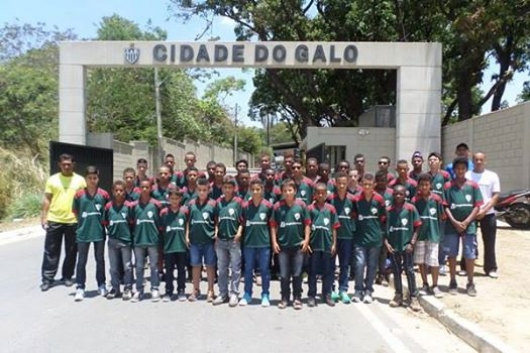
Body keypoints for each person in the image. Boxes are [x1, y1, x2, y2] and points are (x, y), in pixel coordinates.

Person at [40, 154, 86, 292]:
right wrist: (44, 216)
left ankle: (67, 276)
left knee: (71, 251)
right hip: (55, 219)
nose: (66, 166)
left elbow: (83, 200)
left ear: (73, 164)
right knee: (51, 251)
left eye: (69, 164)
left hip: (73, 221)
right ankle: (47, 279)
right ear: (59, 164)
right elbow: (47, 199)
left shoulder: (80, 181)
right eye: (64, 164)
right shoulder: (52, 180)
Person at [442, 157, 483, 296]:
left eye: (463, 168)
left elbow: (477, 206)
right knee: (452, 254)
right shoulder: (448, 186)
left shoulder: (473, 186)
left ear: (466, 170)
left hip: (469, 226)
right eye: (457, 168)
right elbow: (445, 206)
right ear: (454, 170)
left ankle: (470, 282)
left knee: (469, 255)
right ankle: (453, 281)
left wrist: (466, 222)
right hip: (451, 225)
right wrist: (454, 221)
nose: (460, 171)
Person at [270, 179, 311, 310]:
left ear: (295, 191)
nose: (288, 193)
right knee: (284, 274)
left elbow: (307, 224)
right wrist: (274, 242)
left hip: (298, 246)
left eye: (290, 190)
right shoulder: (277, 207)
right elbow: (273, 225)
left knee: (297, 273)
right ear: (281, 192)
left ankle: (297, 297)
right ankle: (284, 298)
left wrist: (306, 240)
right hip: (283, 246)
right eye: (285, 191)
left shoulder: (302, 206)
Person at [72, 166, 110, 301]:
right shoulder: (79, 195)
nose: (92, 181)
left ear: (98, 178)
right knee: (81, 261)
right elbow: (76, 212)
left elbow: (108, 212)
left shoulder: (104, 195)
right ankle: (80, 287)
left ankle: (101, 285)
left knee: (100, 260)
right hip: (83, 233)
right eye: (89, 178)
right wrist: (83, 223)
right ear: (85, 179)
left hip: (99, 233)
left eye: (95, 178)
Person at [385, 185, 421, 311]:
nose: (398, 196)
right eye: (395, 194)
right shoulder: (389, 210)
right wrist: (387, 244)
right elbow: (383, 229)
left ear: (405, 194)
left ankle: (413, 297)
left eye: (400, 194)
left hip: (407, 246)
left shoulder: (411, 209)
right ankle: (398, 295)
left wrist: (412, 242)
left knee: (410, 270)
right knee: (396, 271)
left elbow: (417, 226)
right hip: (394, 246)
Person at [465, 152, 500, 278]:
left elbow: (495, 196)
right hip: (470, 213)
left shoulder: (492, 176)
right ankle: (465, 266)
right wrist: (474, 211)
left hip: (488, 213)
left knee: (489, 242)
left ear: (485, 161)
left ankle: (491, 268)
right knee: (468, 241)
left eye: (481, 160)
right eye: (476, 160)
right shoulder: (467, 175)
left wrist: (484, 210)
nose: (478, 162)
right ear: (472, 161)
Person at [352, 173, 386, 304]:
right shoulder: (356, 200)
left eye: (369, 185)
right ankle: (358, 291)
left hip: (375, 239)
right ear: (361, 185)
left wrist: (382, 236)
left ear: (374, 186)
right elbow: (353, 217)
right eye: (365, 184)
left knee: (372, 266)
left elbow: (383, 219)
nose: (367, 187)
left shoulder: (379, 200)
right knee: (360, 265)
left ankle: (368, 291)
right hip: (360, 239)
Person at [240, 179, 274, 307]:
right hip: (249, 243)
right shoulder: (245, 206)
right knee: (248, 269)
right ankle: (247, 294)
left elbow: (271, 225)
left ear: (262, 190)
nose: (255, 192)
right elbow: (242, 223)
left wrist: (273, 242)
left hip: (264, 244)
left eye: (258, 189)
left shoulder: (268, 206)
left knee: (265, 270)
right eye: (253, 190)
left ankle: (265, 294)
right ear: (250, 190)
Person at [130, 179, 163, 303]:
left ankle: (155, 288)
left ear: (151, 189)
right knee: (139, 266)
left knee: (154, 266)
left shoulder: (156, 204)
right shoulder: (133, 206)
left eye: (147, 187)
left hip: (152, 241)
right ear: (138, 188)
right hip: (138, 240)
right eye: (142, 187)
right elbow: (131, 222)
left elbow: (160, 224)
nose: (144, 189)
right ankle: (139, 290)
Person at [213, 176, 244, 307]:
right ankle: (223, 293)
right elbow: (216, 219)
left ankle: (234, 293)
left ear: (234, 188)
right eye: (225, 187)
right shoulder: (218, 202)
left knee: (235, 268)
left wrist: (239, 233)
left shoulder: (238, 202)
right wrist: (216, 232)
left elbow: (242, 221)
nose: (227, 190)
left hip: (233, 240)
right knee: (222, 268)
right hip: (221, 239)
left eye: (229, 187)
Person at [412, 174, 445, 298]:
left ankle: (435, 285)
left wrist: (436, 231)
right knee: (421, 261)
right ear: (418, 186)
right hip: (420, 235)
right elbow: (413, 219)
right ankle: (425, 283)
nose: (424, 187)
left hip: (433, 234)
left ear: (430, 185)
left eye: (426, 184)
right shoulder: (415, 201)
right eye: (421, 185)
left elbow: (441, 216)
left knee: (433, 261)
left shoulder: (436, 199)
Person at [307, 183, 339, 307]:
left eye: (323, 193)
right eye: (318, 193)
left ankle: (327, 294)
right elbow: (307, 226)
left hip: (327, 245)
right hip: (314, 245)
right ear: (314, 194)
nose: (320, 195)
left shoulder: (331, 209)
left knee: (328, 271)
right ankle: (311, 295)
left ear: (326, 194)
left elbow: (334, 227)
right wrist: (307, 242)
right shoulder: (310, 209)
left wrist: (334, 244)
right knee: (312, 271)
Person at [187, 178, 218, 302]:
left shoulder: (213, 204)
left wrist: (216, 232)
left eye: (204, 190)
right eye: (199, 190)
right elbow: (189, 221)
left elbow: (216, 220)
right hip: (195, 241)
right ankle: (196, 289)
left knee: (210, 266)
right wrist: (187, 234)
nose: (201, 193)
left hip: (209, 240)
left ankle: (211, 290)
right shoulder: (191, 204)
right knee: (196, 266)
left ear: (208, 190)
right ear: (196, 190)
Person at [327, 172, 356, 304]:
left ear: (348, 182)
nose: (342, 185)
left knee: (345, 264)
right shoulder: (330, 199)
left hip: (347, 236)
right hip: (333, 237)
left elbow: (355, 215)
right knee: (331, 264)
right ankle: (331, 289)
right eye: (340, 183)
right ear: (335, 183)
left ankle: (343, 290)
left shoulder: (352, 199)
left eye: (344, 183)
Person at [104, 180, 134, 300]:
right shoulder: (108, 207)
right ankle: (115, 288)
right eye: (116, 190)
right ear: (112, 192)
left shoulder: (129, 206)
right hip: (112, 241)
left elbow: (132, 222)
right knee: (113, 267)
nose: (119, 193)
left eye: (121, 190)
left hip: (126, 241)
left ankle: (128, 288)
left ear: (125, 191)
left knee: (127, 266)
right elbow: (106, 222)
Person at [160, 188, 189, 302]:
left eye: (176, 198)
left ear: (180, 199)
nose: (174, 201)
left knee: (181, 270)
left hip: (181, 246)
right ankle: (168, 291)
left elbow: (187, 225)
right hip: (169, 246)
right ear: (168, 199)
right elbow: (161, 229)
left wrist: (186, 237)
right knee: (169, 270)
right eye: (172, 198)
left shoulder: (184, 211)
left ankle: (181, 290)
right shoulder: (164, 212)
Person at [374, 171, 394, 286]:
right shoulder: (373, 192)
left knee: (384, 251)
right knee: (375, 251)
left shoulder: (391, 193)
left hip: (388, 226)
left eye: (384, 180)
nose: (382, 182)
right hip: (375, 226)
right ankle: (375, 273)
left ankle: (382, 274)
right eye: (379, 180)